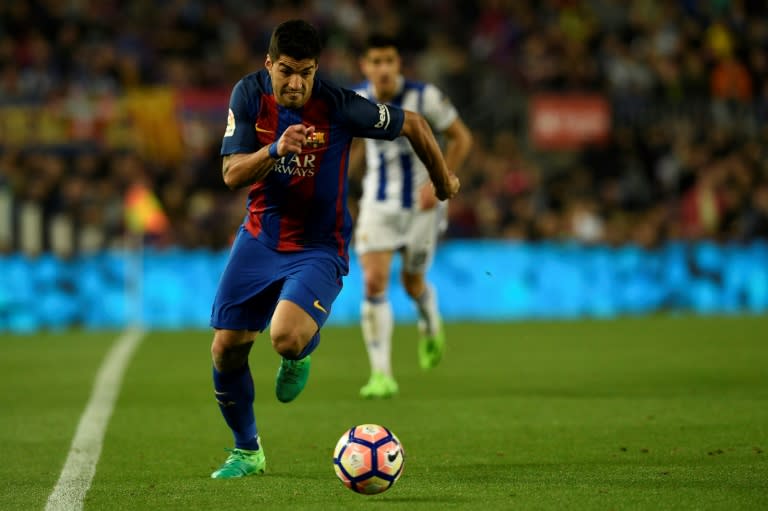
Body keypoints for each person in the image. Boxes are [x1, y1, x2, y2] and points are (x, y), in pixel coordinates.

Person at [208, 20, 460, 479]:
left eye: (306, 72)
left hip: (319, 246)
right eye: (287, 71)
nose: (297, 83)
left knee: (286, 336)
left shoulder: (338, 104)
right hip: (260, 237)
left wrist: (443, 182)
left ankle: (300, 353)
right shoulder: (247, 96)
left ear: (316, 68)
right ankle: (247, 451)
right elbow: (230, 174)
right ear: (269, 64)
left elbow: (416, 125)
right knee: (226, 349)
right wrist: (275, 151)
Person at [351, 34, 472, 399]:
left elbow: (461, 139)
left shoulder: (426, 97)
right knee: (373, 282)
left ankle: (430, 320)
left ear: (398, 63)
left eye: (389, 60)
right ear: (365, 66)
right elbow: (353, 146)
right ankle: (381, 374)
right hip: (378, 204)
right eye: (376, 61)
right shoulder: (356, 100)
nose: (383, 68)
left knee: (412, 283)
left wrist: (439, 180)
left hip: (423, 206)